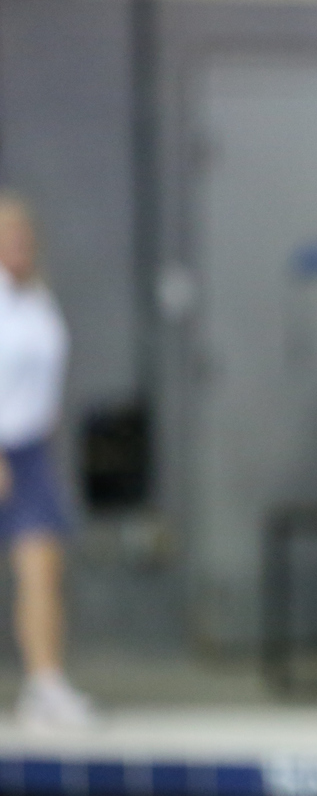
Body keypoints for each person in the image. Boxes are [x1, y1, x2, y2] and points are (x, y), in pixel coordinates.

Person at [0, 193, 93, 729]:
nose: (18, 248)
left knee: (41, 569)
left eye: (23, 240)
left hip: (31, 450)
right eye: (7, 240)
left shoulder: (38, 299)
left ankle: (44, 685)